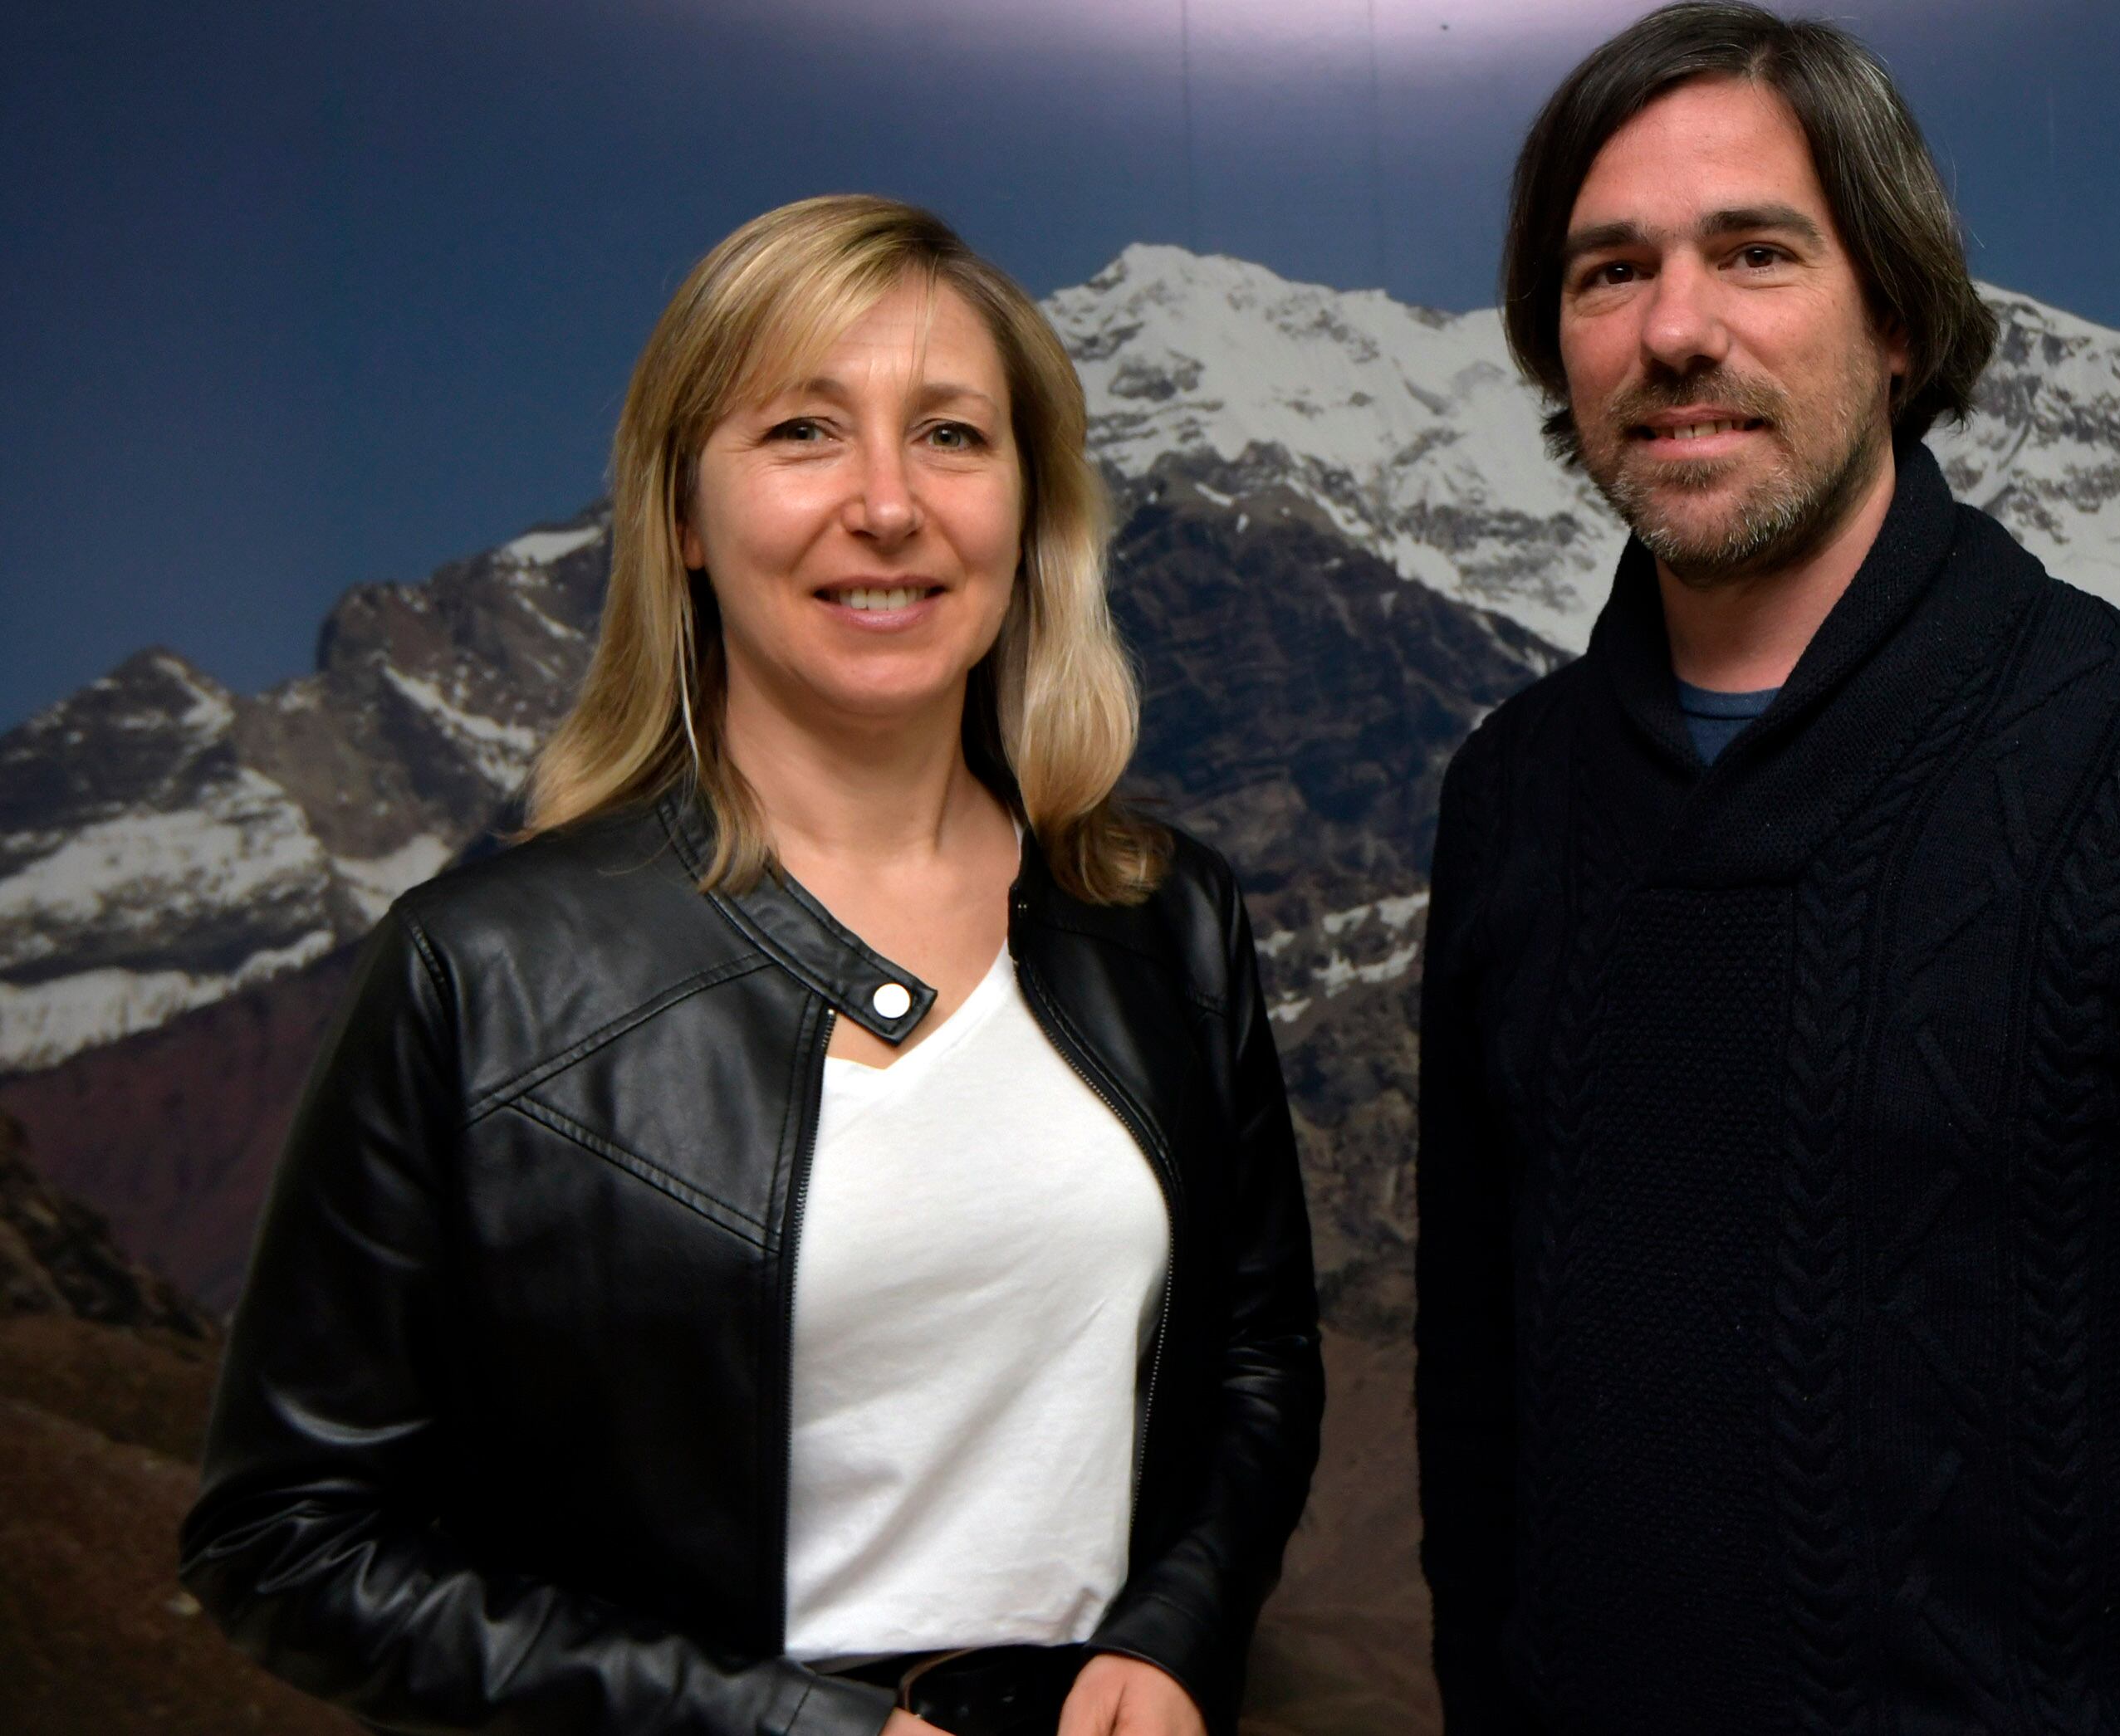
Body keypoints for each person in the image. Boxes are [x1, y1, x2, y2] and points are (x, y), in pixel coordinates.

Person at [1413, 7, 2120, 1733]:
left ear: (1893, 313)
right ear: (1555, 344)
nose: (1673, 328)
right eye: (1607, 274)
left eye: (1752, 252)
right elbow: (1476, 1428)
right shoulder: (1507, 800)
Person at [182, 194, 1322, 1736]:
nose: (889, 504)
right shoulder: (483, 974)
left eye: (952, 437)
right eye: (801, 432)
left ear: (1029, 507)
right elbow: (286, 1541)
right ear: (678, 520)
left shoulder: (1164, 916)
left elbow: (1257, 1357)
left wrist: (1176, 1631)